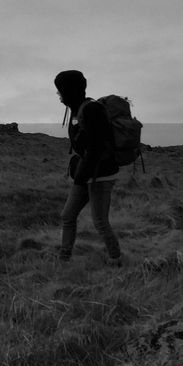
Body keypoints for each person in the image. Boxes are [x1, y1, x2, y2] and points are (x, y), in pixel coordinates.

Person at [54, 70, 122, 265]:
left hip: (101, 175)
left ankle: (116, 259)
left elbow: (96, 147)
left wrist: (80, 176)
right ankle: (64, 258)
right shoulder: (78, 109)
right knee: (68, 215)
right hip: (86, 173)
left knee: (100, 222)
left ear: (70, 90)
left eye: (60, 91)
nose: (59, 96)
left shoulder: (92, 110)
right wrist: (81, 175)